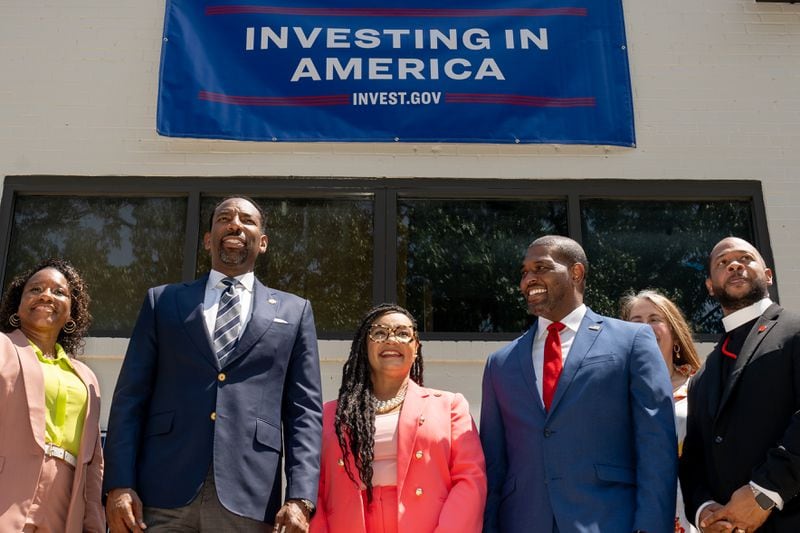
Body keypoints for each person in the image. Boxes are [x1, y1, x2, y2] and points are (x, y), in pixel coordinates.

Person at [103, 196, 323, 532]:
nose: (235, 223)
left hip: (250, 494)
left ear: (262, 243)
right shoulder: (163, 301)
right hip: (161, 490)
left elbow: (304, 413)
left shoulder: (294, 312)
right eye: (224, 217)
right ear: (208, 239)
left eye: (247, 220)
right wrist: (119, 484)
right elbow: (130, 398)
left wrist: (300, 498)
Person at [480, 235, 677, 533]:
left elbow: (656, 445)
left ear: (576, 273)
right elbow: (494, 464)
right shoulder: (500, 363)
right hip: (522, 522)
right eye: (524, 272)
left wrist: (650, 527)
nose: (528, 280)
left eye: (541, 268)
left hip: (610, 521)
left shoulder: (632, 340)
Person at [310, 303, 487, 533]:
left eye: (403, 333)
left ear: (416, 347)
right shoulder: (329, 414)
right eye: (380, 332)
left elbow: (470, 480)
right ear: (364, 345)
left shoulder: (450, 406)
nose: (391, 339)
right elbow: (313, 488)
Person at [679, 237, 800, 532]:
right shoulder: (702, 376)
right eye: (722, 262)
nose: (734, 264)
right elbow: (694, 456)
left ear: (768, 275)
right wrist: (705, 510)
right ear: (710, 285)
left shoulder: (795, 332)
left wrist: (765, 492)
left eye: (745, 258)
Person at [0, 258, 104, 532]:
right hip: (6, 491)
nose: (46, 295)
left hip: (65, 501)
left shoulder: (86, 378)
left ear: (71, 313)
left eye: (59, 292)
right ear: (17, 307)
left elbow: (93, 462)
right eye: (35, 290)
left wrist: (93, 521)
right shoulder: (2, 348)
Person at [621, 289, 702, 533]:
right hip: (632, 517)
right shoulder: (612, 394)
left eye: (655, 319)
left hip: (696, 514)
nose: (645, 328)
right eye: (636, 322)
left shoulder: (702, 387)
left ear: (675, 336)